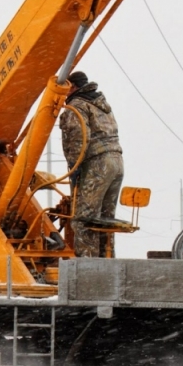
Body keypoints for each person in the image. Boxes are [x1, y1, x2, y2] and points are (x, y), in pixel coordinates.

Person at [59, 71, 124, 257]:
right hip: (116, 162)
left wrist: (74, 167)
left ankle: (87, 270)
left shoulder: (76, 106)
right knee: (105, 221)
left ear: (71, 86)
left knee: (84, 220)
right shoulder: (102, 105)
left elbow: (78, 138)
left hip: (97, 164)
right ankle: (106, 266)